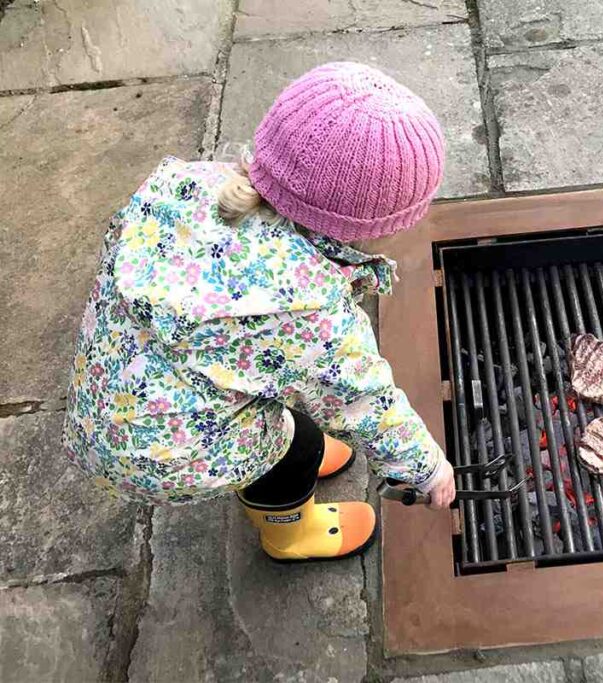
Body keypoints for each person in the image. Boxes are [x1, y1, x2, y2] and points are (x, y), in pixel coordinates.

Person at [62, 62, 456, 563]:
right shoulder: (308, 307)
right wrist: (427, 470)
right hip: (162, 455)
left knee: (301, 410)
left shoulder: (189, 183)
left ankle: (284, 443)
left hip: (113, 392)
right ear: (370, 223)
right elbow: (364, 403)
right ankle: (291, 535)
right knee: (295, 451)